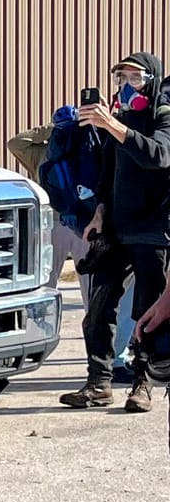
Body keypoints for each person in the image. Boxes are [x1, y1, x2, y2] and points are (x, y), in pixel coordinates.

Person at [62, 54, 170, 412]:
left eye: (135, 78)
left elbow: (158, 155)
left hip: (154, 228)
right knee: (99, 307)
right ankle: (98, 383)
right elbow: (109, 171)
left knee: (148, 311)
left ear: (151, 80)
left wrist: (113, 126)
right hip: (117, 227)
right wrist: (100, 212)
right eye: (120, 77)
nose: (126, 86)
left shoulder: (162, 113)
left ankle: (144, 384)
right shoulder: (118, 121)